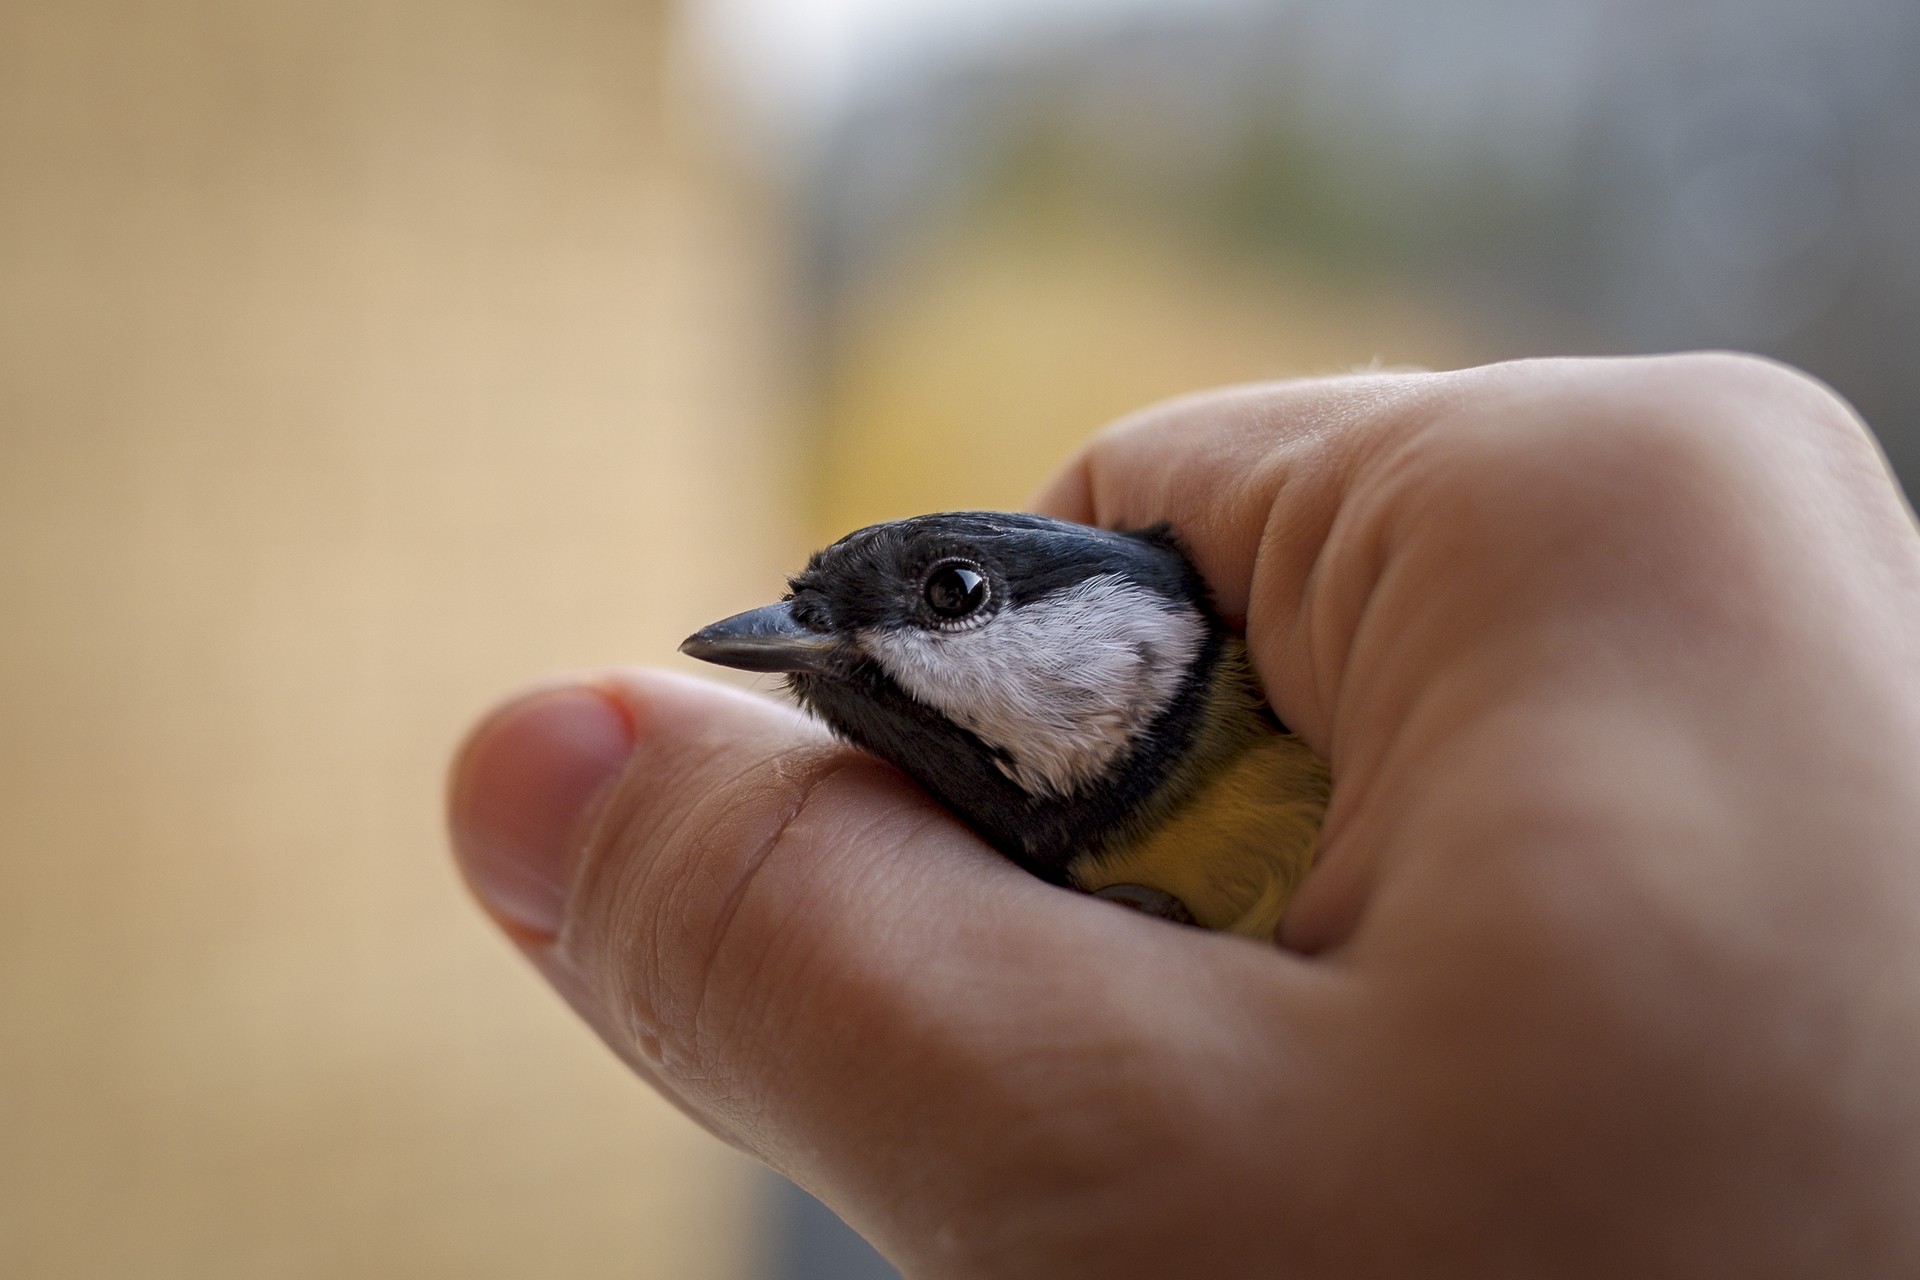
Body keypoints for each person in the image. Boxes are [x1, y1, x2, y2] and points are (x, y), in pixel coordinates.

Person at [447, 354, 1920, 1277]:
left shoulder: (1311, 729)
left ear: (1147, 632)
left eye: (950, 600)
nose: (868, 651)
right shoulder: (1047, 867)